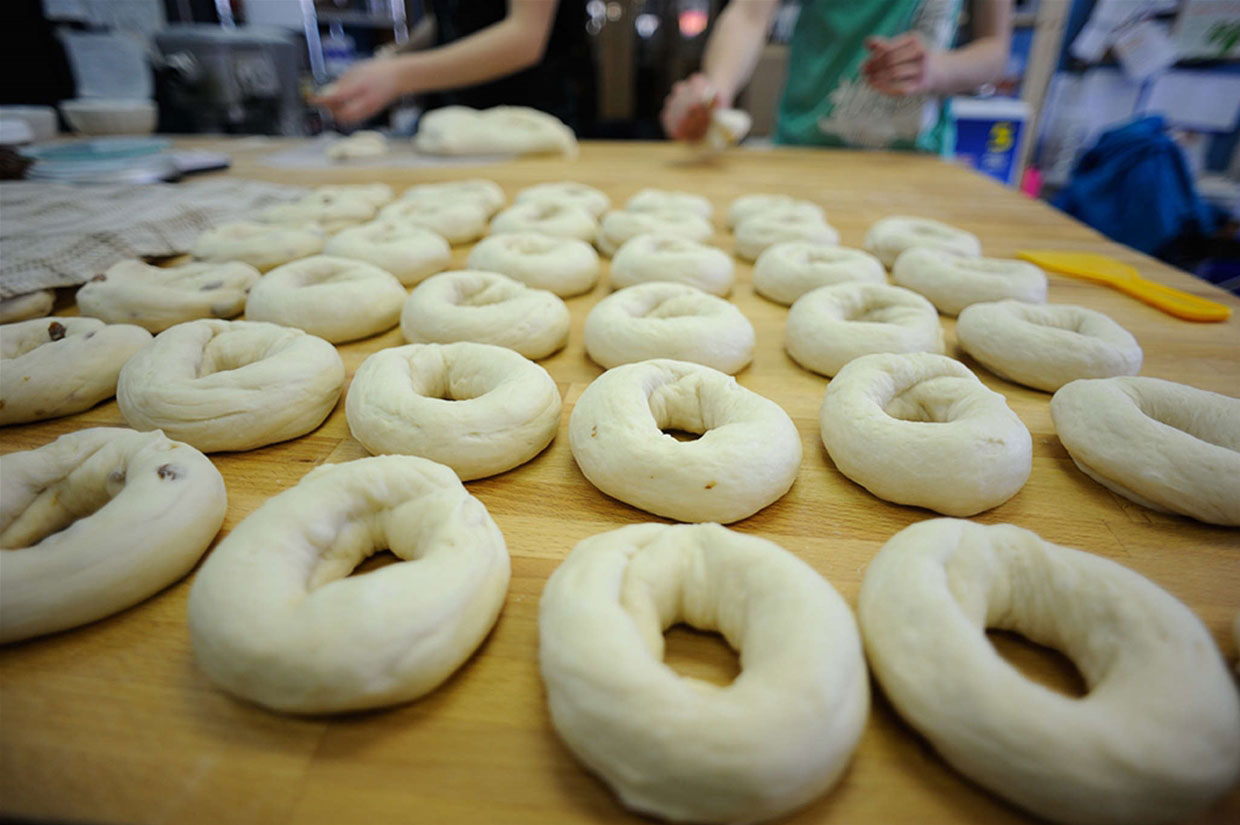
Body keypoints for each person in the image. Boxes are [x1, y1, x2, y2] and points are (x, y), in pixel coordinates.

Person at [661, 0, 1012, 155]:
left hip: (915, 158)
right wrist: (716, 91)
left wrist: (938, 69)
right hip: (806, 148)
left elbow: (995, 49)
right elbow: (750, 13)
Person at [316, 0, 595, 134]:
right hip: (454, 117)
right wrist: (391, 56)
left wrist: (399, 74)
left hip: (529, 120)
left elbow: (525, 35)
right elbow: (451, 18)